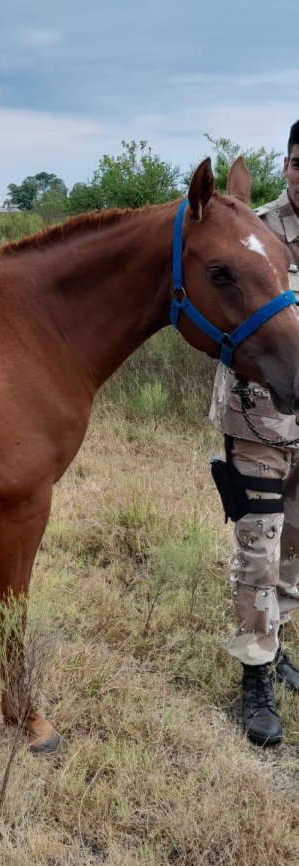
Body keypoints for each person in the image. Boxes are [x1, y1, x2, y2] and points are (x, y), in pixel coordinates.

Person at [209, 119, 299, 746]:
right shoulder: (254, 233)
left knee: (294, 549)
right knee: (257, 549)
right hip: (259, 417)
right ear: (288, 164)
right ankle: (255, 674)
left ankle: (278, 646)